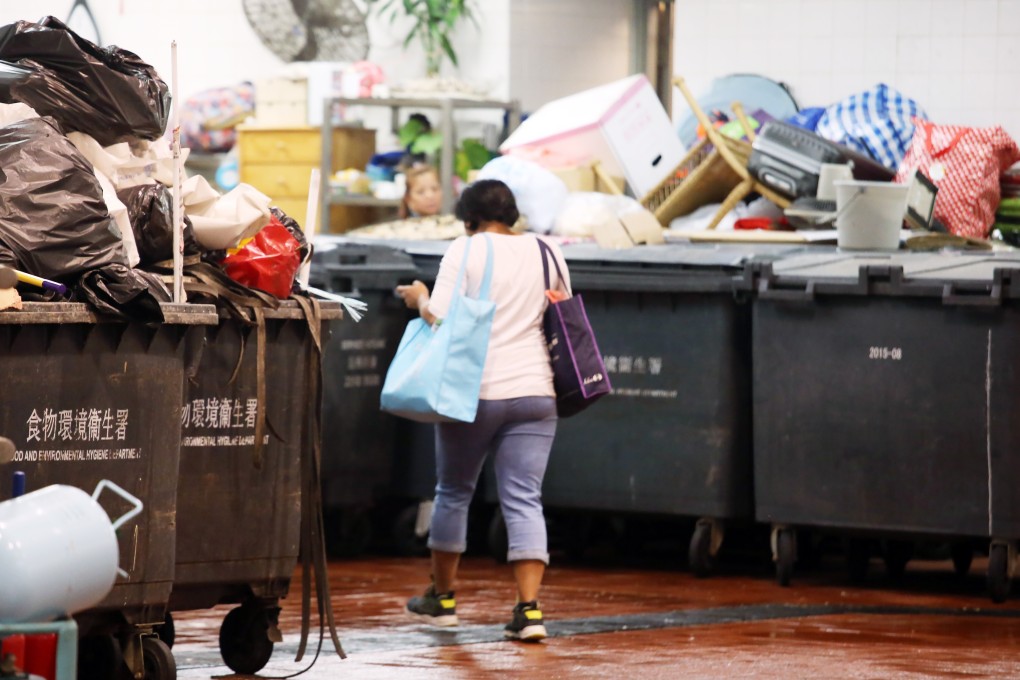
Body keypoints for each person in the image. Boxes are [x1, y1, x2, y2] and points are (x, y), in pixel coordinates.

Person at [394, 179, 570, 643]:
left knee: (453, 491)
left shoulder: (466, 249)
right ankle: (529, 611)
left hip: (473, 392)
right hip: (536, 390)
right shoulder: (548, 251)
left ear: (469, 217)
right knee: (525, 499)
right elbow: (561, 308)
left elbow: (441, 314)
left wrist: (418, 298)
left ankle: (443, 599)